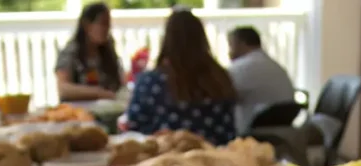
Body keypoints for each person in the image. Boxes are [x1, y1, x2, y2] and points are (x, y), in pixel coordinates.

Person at [124, 10, 236, 146]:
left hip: (164, 159)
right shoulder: (219, 78)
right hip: (215, 157)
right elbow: (229, 130)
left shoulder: (151, 81)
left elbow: (134, 125)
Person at [227, 26, 296, 133]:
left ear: (241, 44)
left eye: (230, 45)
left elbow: (220, 95)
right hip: (283, 130)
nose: (229, 52)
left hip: (253, 133)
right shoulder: (275, 66)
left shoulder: (240, 68)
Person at [55, 3, 124, 102]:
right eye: (102, 23)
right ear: (87, 25)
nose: (107, 29)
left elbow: (118, 83)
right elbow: (63, 89)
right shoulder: (70, 52)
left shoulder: (107, 52)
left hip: (108, 110)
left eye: (108, 24)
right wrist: (99, 93)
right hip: (77, 112)